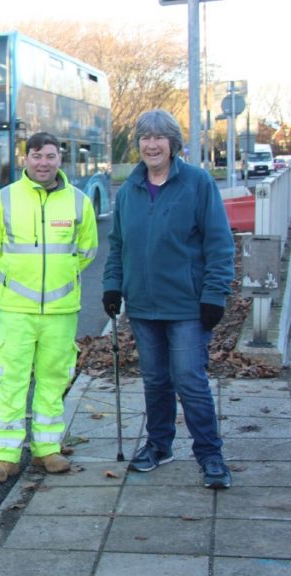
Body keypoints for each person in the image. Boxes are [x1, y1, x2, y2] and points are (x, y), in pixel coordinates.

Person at [102, 109, 235, 490]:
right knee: (155, 381)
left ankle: (210, 455)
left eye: (160, 137)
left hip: (187, 308)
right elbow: (117, 246)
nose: (152, 144)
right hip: (143, 307)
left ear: (173, 143)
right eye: (145, 137)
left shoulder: (197, 183)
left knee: (190, 381)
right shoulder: (129, 190)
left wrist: (214, 296)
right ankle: (160, 445)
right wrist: (113, 286)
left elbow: (220, 245)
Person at [0, 132, 98, 483]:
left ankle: (47, 450)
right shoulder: (4, 200)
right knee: (11, 381)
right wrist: (10, 280)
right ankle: (4, 456)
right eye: (36, 156)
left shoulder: (78, 202)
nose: (43, 162)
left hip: (61, 311)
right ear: (25, 159)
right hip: (16, 309)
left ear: (59, 160)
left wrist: (63, 281)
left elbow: (87, 250)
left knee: (53, 381)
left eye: (50, 156)